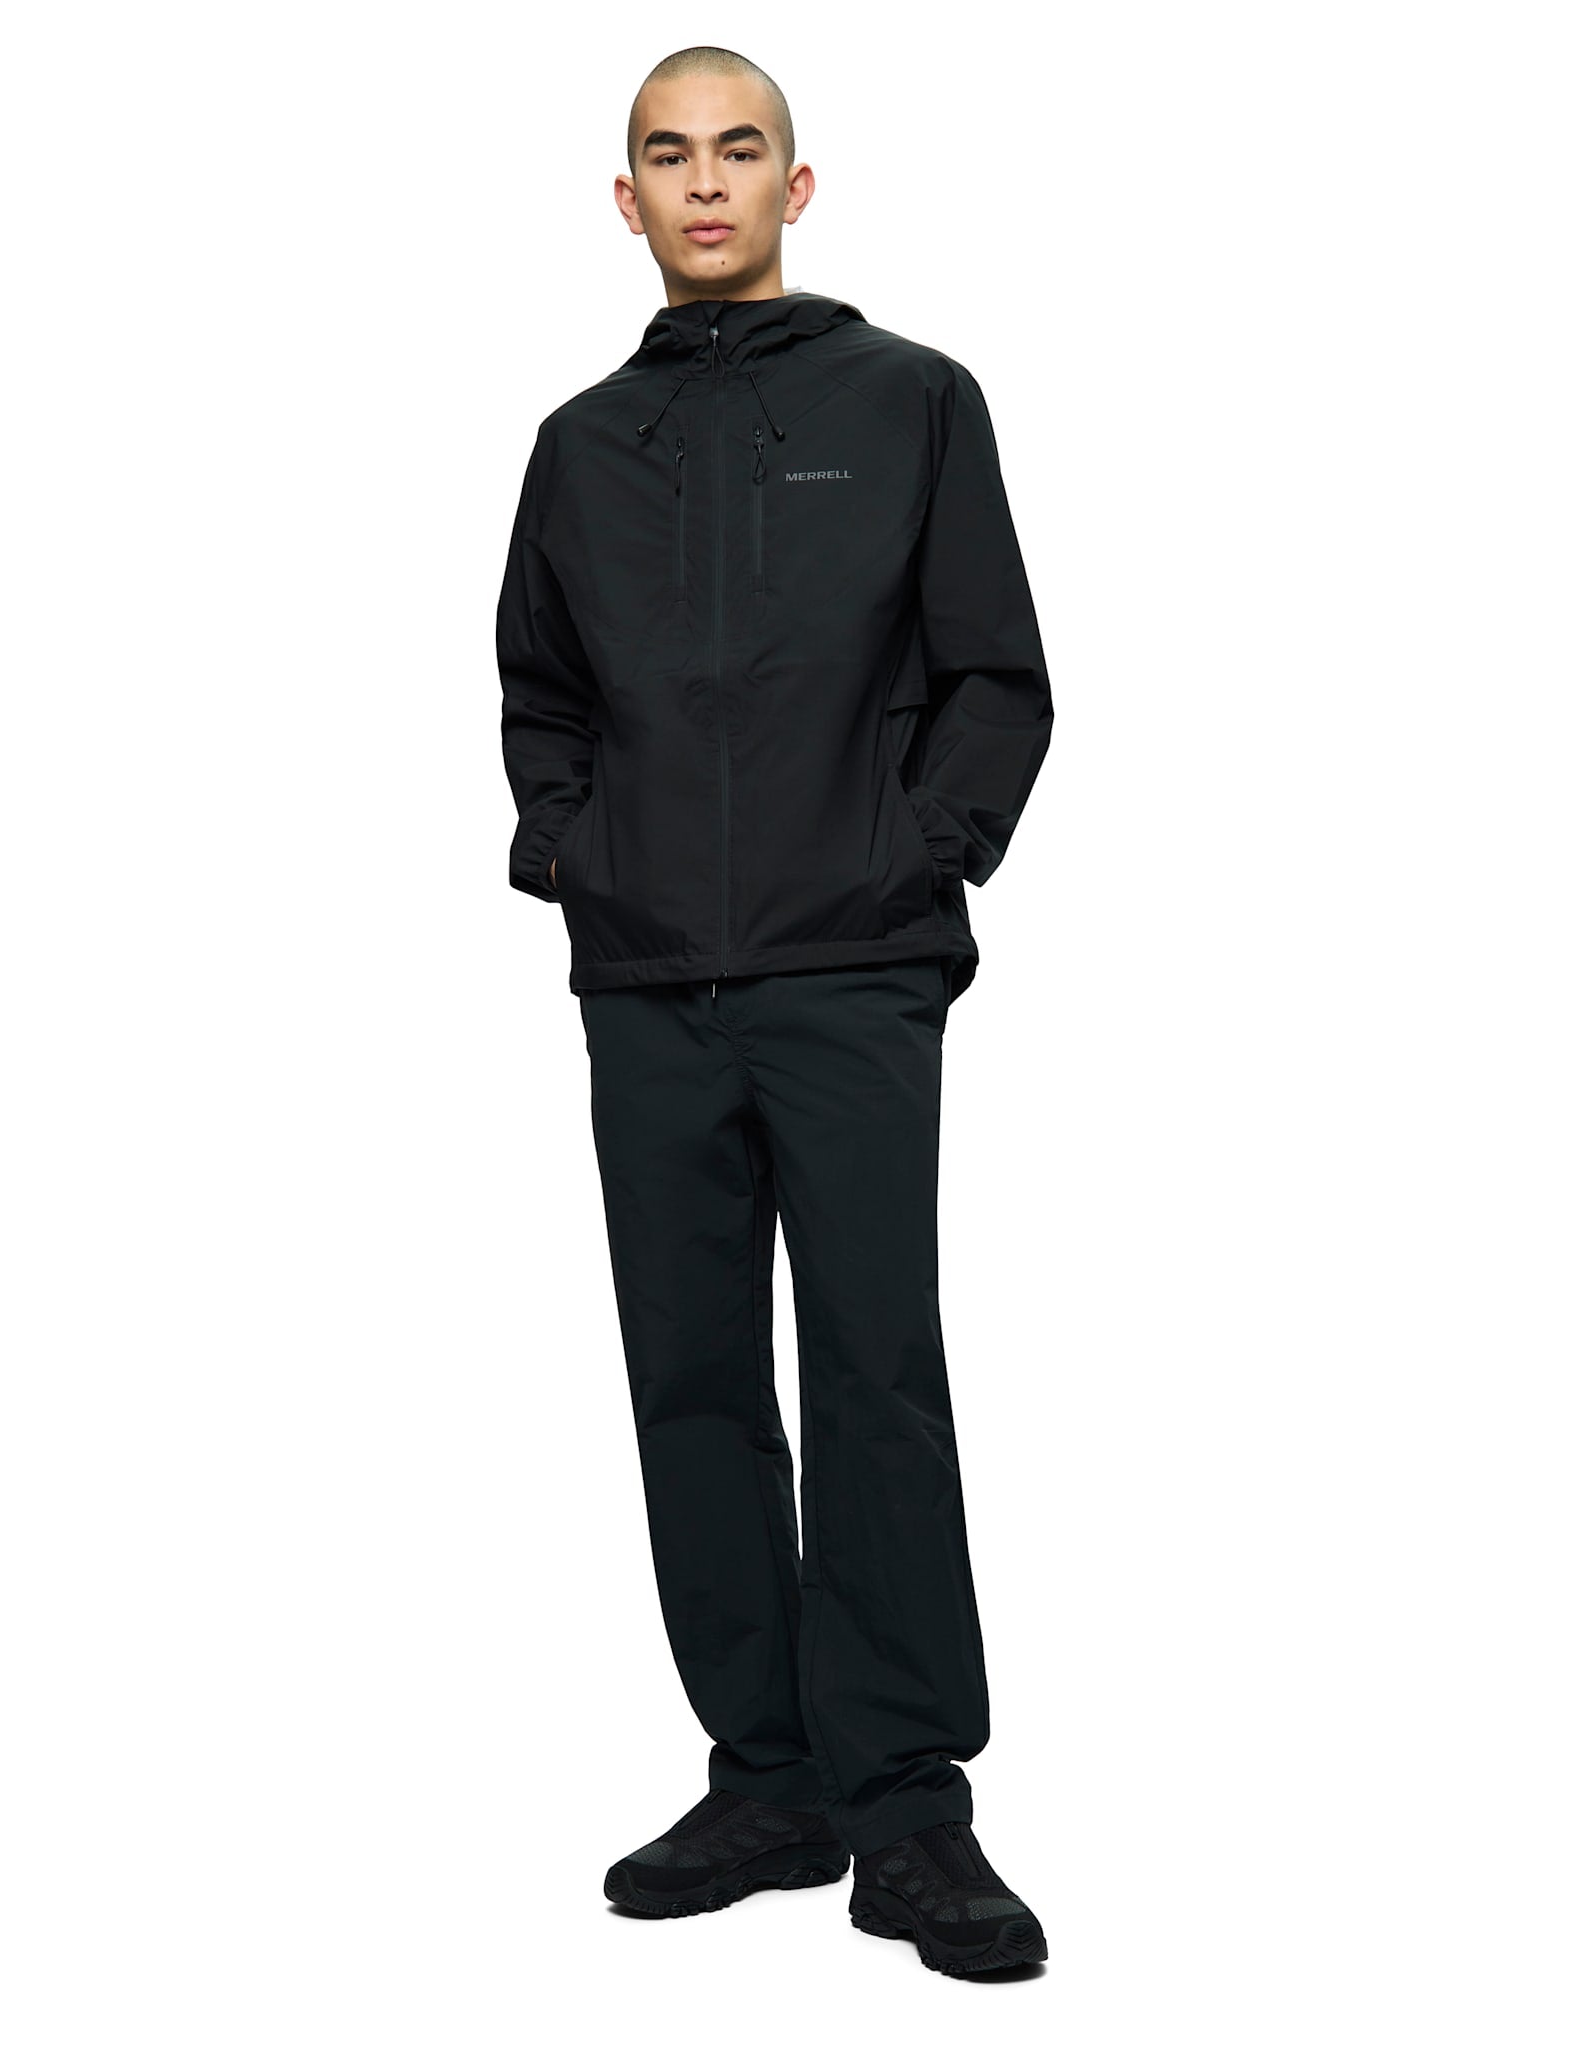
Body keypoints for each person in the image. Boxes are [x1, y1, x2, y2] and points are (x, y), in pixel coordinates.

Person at [497, 47, 1055, 1977]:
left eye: (741, 150)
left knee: (874, 1370)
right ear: (628, 200)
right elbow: (541, 694)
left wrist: (921, 859)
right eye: (671, 155)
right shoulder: (581, 446)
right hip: (650, 984)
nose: (708, 182)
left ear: (795, 188)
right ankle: (771, 1775)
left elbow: (997, 674)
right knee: (695, 1382)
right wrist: (577, 855)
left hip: (852, 974)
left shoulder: (910, 403)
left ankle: (910, 1808)